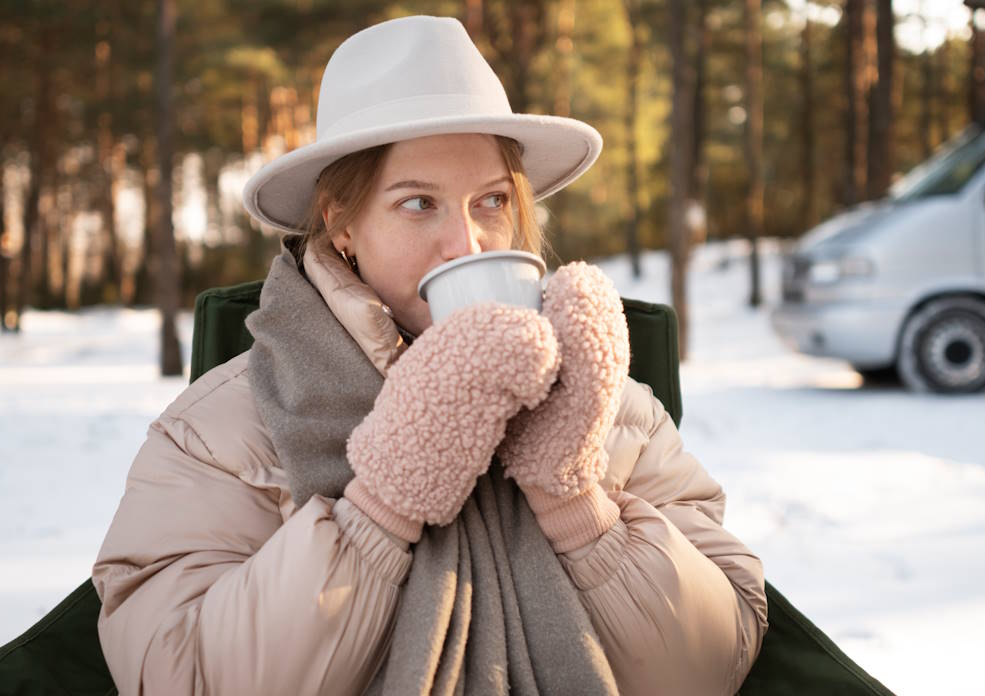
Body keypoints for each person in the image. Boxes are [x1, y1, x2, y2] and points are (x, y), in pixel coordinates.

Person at [92, 15, 767, 696]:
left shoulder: (604, 400)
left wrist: (575, 502)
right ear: (342, 223)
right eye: (419, 203)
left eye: (492, 201)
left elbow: (714, 665)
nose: (467, 243)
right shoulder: (219, 430)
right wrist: (383, 503)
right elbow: (177, 676)